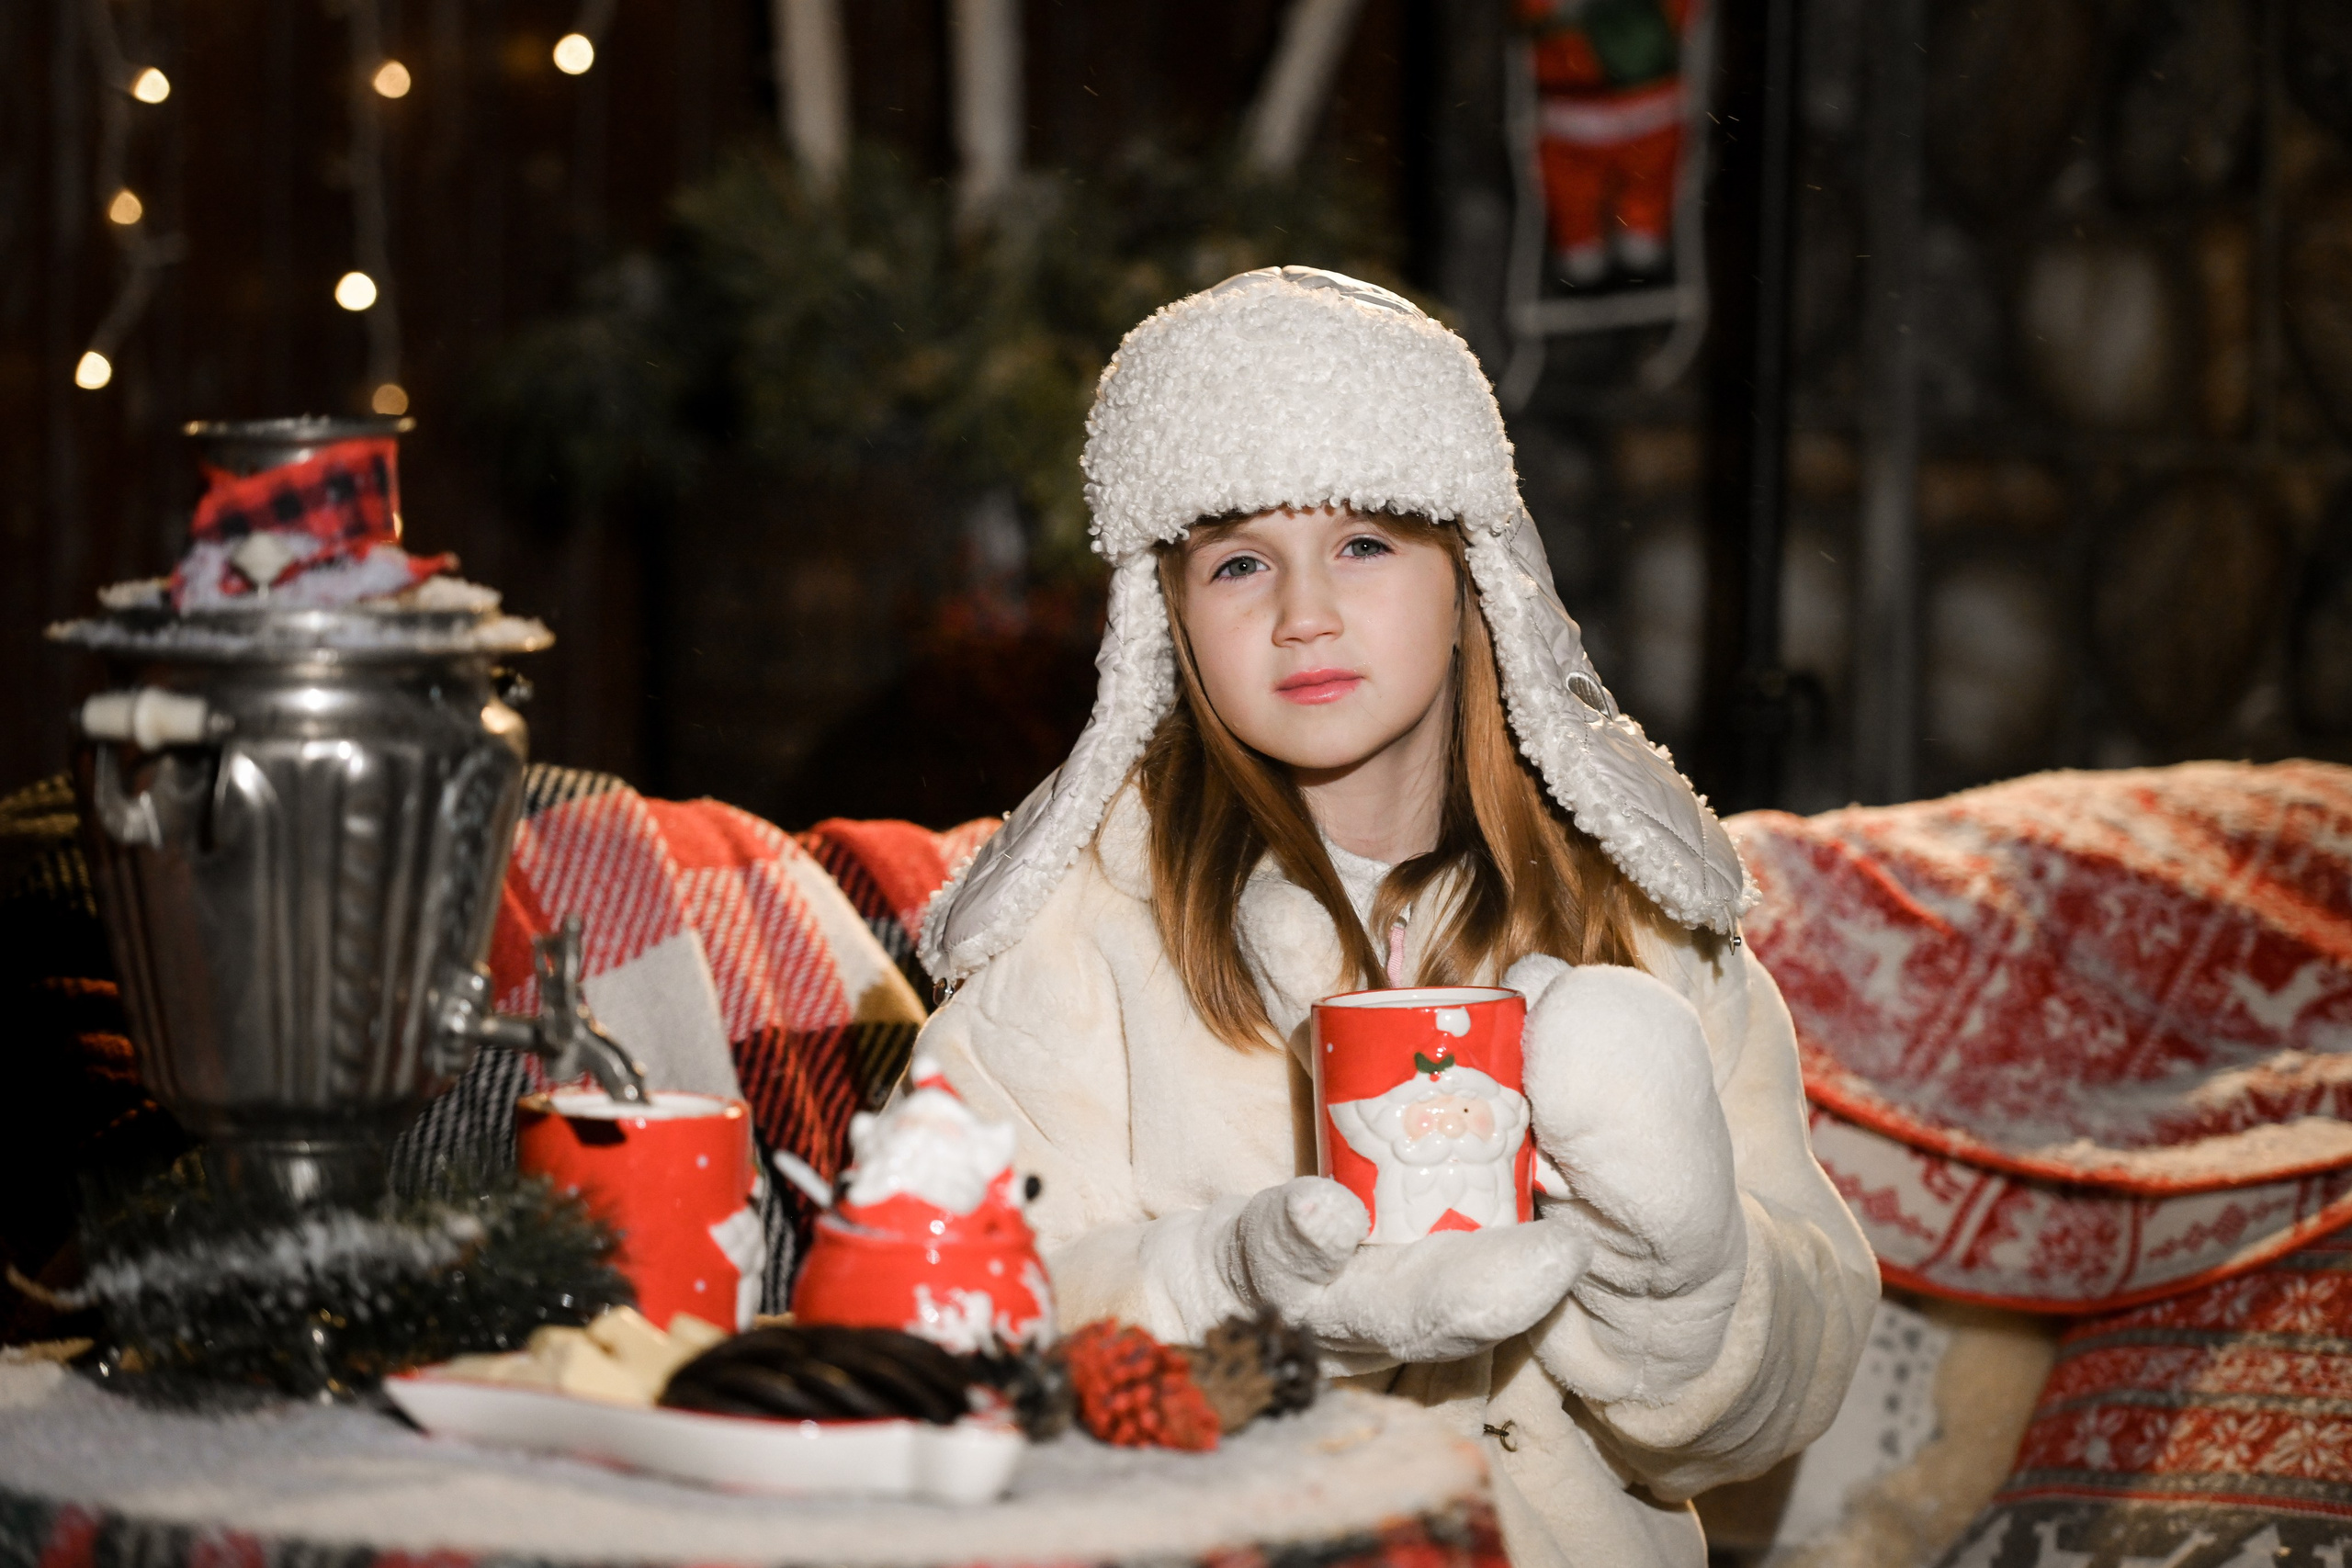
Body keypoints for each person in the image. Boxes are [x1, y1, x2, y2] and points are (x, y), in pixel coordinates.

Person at [914, 266, 1875, 1568]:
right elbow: (956, 1320)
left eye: (1365, 542)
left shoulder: (1643, 922)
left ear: (1469, 567)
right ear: (1167, 619)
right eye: (1240, 560)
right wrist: (1226, 1288)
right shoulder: (1086, 932)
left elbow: (1763, 1408)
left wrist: (1684, 1277)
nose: (1305, 614)